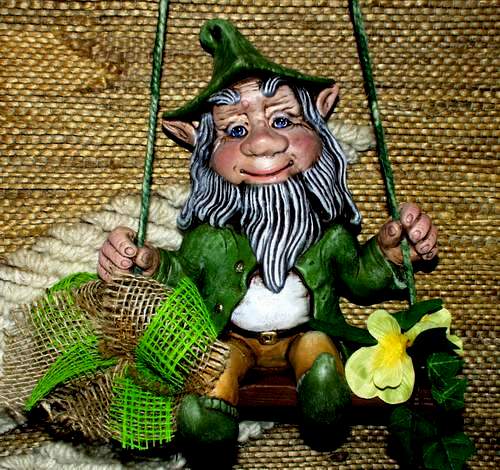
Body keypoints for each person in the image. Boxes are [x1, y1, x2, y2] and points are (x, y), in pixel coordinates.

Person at [97, 19, 437, 463]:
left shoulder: (328, 234)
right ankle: (209, 424)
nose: (263, 143)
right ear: (198, 142)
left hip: (305, 336)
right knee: (214, 367)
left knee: (319, 355)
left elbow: (358, 278)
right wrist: (148, 263)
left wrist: (389, 253)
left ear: (319, 118)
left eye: (282, 120)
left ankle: (323, 397)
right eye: (236, 131)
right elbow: (182, 278)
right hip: (233, 339)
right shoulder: (211, 239)